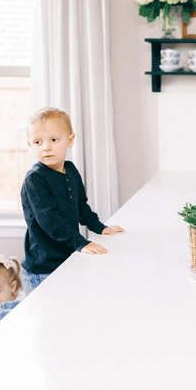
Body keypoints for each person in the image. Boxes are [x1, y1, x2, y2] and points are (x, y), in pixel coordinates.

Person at [20, 107, 124, 294]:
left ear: (70, 140)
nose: (46, 147)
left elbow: (81, 206)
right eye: (38, 142)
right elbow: (50, 221)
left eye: (53, 139)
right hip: (43, 267)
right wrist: (80, 243)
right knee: (41, 316)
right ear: (30, 145)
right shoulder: (35, 180)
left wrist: (99, 227)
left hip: (65, 260)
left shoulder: (71, 170)